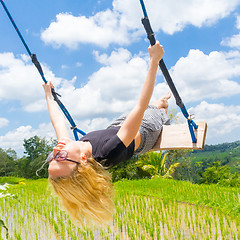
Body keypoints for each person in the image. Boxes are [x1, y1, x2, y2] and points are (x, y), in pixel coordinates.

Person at [42, 41, 170, 225]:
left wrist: (48, 94)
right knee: (154, 111)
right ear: (83, 160)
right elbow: (140, 107)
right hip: (145, 129)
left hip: (116, 127)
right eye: (60, 157)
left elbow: (57, 121)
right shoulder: (109, 151)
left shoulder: (69, 149)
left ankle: (161, 102)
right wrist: (154, 60)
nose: (55, 151)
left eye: (51, 158)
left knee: (152, 107)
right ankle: (163, 106)